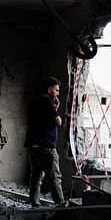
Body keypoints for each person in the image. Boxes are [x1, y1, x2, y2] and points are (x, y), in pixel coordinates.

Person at [25, 77, 66, 206]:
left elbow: (45, 119)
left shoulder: (35, 101)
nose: (58, 93)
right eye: (56, 90)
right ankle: (60, 203)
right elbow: (58, 121)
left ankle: (34, 202)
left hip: (33, 144)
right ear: (49, 90)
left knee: (36, 176)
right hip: (45, 146)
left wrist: (54, 108)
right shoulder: (46, 101)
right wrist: (55, 109)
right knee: (54, 176)